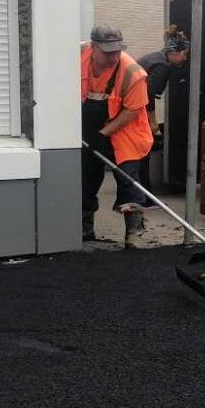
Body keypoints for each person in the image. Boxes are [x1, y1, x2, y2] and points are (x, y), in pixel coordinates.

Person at [80, 25, 154, 245]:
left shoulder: (133, 73)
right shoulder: (76, 54)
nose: (114, 56)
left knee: (128, 177)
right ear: (93, 47)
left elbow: (131, 111)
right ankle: (84, 229)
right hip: (88, 124)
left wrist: (103, 134)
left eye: (117, 51)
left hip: (125, 129)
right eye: (107, 51)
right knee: (86, 177)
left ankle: (134, 233)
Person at [135, 26, 190, 190]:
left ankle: (142, 194)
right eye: (184, 54)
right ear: (174, 52)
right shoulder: (162, 67)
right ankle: (143, 196)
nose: (185, 59)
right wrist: (152, 123)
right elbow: (147, 95)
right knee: (143, 153)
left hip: (127, 107)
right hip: (132, 111)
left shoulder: (154, 58)